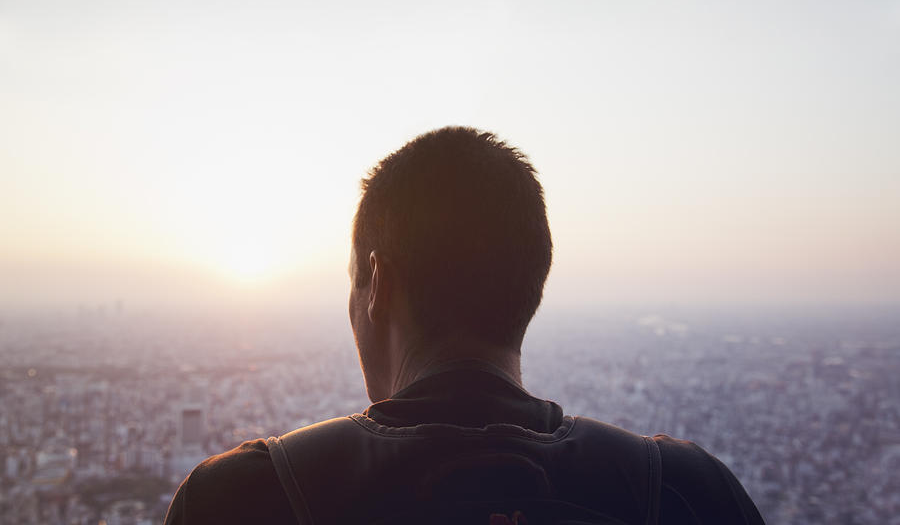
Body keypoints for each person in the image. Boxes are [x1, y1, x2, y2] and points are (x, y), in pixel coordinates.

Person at [164, 127, 764, 524]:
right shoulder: (685, 495)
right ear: (532, 282)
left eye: (353, 282)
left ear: (379, 285)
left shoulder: (248, 499)